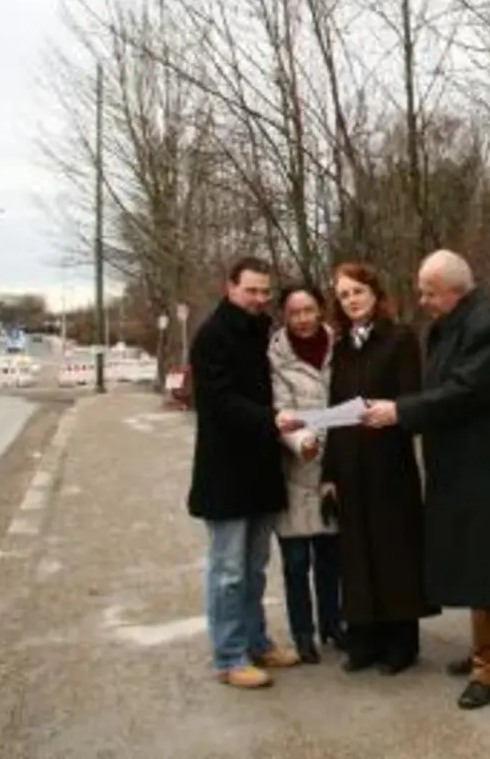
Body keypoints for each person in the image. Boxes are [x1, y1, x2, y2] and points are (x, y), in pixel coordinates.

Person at [361, 249, 490, 710]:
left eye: (429, 293)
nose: (422, 301)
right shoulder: (450, 325)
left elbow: (465, 391)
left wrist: (401, 411)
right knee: (474, 562)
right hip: (461, 464)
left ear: (456, 291)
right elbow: (440, 387)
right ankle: (485, 650)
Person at [186, 256, 306, 689]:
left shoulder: (262, 333)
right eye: (251, 290)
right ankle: (229, 656)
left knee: (254, 569)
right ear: (230, 287)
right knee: (228, 573)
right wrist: (271, 420)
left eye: (264, 291)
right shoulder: (212, 337)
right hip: (226, 473)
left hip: (261, 470)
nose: (259, 298)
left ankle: (256, 642)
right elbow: (219, 403)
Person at [321, 262, 433, 676]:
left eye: (358, 292)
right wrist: (329, 475)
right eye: (344, 295)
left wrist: (392, 412)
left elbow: (412, 399)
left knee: (393, 551)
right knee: (355, 553)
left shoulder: (400, 340)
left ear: (375, 294)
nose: (351, 300)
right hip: (349, 466)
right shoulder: (341, 348)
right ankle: (364, 640)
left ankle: (400, 644)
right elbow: (334, 412)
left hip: (389, 462)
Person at [268, 282, 344, 664]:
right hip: (294, 470)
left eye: (308, 310)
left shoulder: (340, 348)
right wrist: (301, 440)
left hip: (335, 469)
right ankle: (303, 633)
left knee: (331, 558)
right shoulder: (274, 358)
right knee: (297, 562)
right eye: (294, 312)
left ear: (321, 310)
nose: (302, 319)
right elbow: (281, 411)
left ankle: (333, 623)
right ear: (284, 315)